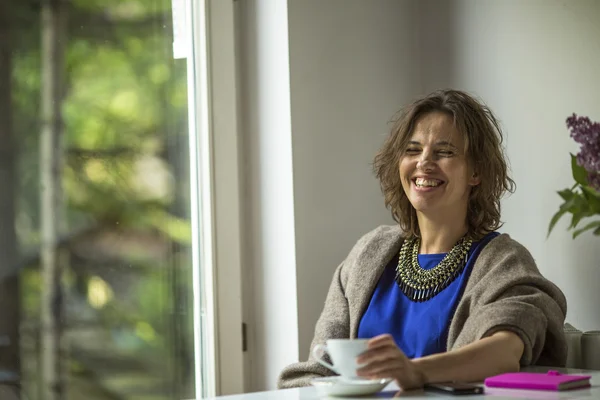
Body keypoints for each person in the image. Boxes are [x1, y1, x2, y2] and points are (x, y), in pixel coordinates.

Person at [277, 89, 567, 390]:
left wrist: (415, 372)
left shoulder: (503, 261)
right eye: (413, 150)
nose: (424, 163)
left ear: (476, 172)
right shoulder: (367, 253)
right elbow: (319, 366)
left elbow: (505, 350)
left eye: (445, 152)